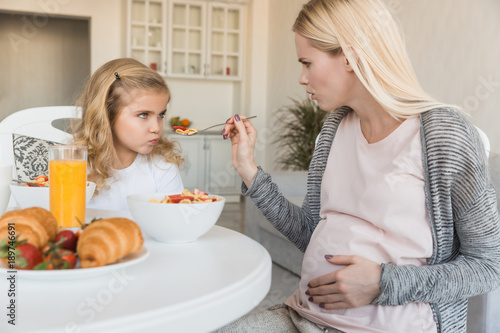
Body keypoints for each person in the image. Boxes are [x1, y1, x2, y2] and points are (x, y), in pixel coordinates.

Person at [218, 0, 500, 332]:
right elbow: (311, 232)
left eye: (307, 63)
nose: (301, 78)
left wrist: (383, 282)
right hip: (305, 316)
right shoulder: (333, 129)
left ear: (350, 57)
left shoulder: (444, 134)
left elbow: (488, 266)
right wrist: (247, 167)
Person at [72, 58, 184, 211]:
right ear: (107, 114)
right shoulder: (73, 167)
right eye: (144, 115)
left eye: (161, 115)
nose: (156, 128)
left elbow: (174, 224)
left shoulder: (163, 168)